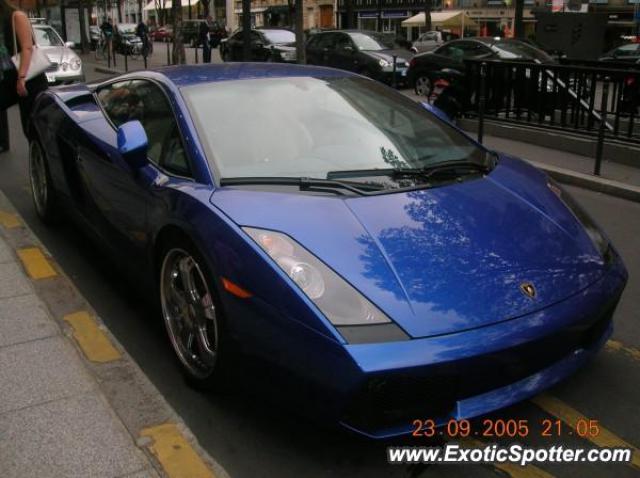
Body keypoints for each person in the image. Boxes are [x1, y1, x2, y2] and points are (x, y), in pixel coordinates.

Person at [0, 0, 48, 138]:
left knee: (30, 124)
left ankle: (40, 154)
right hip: (9, 77)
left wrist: (22, 78)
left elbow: (27, 48)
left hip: (29, 79)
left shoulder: (17, 16)